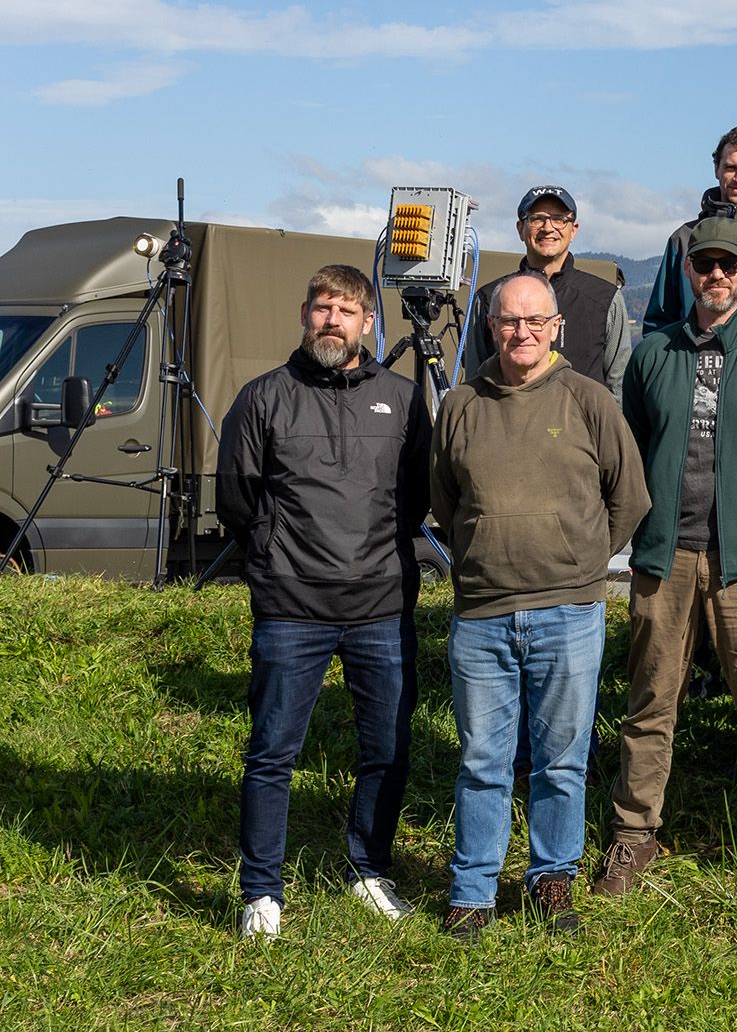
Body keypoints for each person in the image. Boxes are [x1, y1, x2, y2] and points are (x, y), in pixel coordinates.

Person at [593, 217, 737, 895]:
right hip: (665, 558)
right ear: (688, 272)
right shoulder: (654, 353)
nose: (715, 275)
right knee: (649, 704)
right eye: (704, 265)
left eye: (728, 264)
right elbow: (629, 450)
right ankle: (636, 837)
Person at [431, 273, 650, 937]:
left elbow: (630, 498)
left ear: (556, 327)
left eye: (534, 321)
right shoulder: (461, 403)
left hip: (569, 612)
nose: (520, 333)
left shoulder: (588, 401)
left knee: (561, 759)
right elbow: (444, 503)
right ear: (490, 327)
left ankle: (553, 878)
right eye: (507, 321)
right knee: (482, 760)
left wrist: (579, 563)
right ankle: (473, 889)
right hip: (482, 614)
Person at [220, 265, 430, 940]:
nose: (332, 320)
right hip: (291, 606)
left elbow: (417, 498)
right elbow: (236, 500)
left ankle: (368, 870)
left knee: (388, 748)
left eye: (347, 309)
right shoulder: (262, 398)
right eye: (321, 307)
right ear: (303, 314)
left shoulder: (401, 399)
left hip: (381, 604)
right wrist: (278, 557)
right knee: (272, 751)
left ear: (369, 322)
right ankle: (262, 890)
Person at [466, 185, 631, 406]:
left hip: (581, 435)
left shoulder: (605, 298)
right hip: (508, 430)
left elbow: (619, 386)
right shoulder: (489, 298)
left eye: (559, 218)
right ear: (520, 229)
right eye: (537, 219)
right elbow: (475, 381)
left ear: (573, 229)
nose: (548, 227)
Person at [643, 126, 737, 336]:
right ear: (716, 168)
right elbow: (659, 324)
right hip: (690, 362)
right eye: (730, 167)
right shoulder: (684, 238)